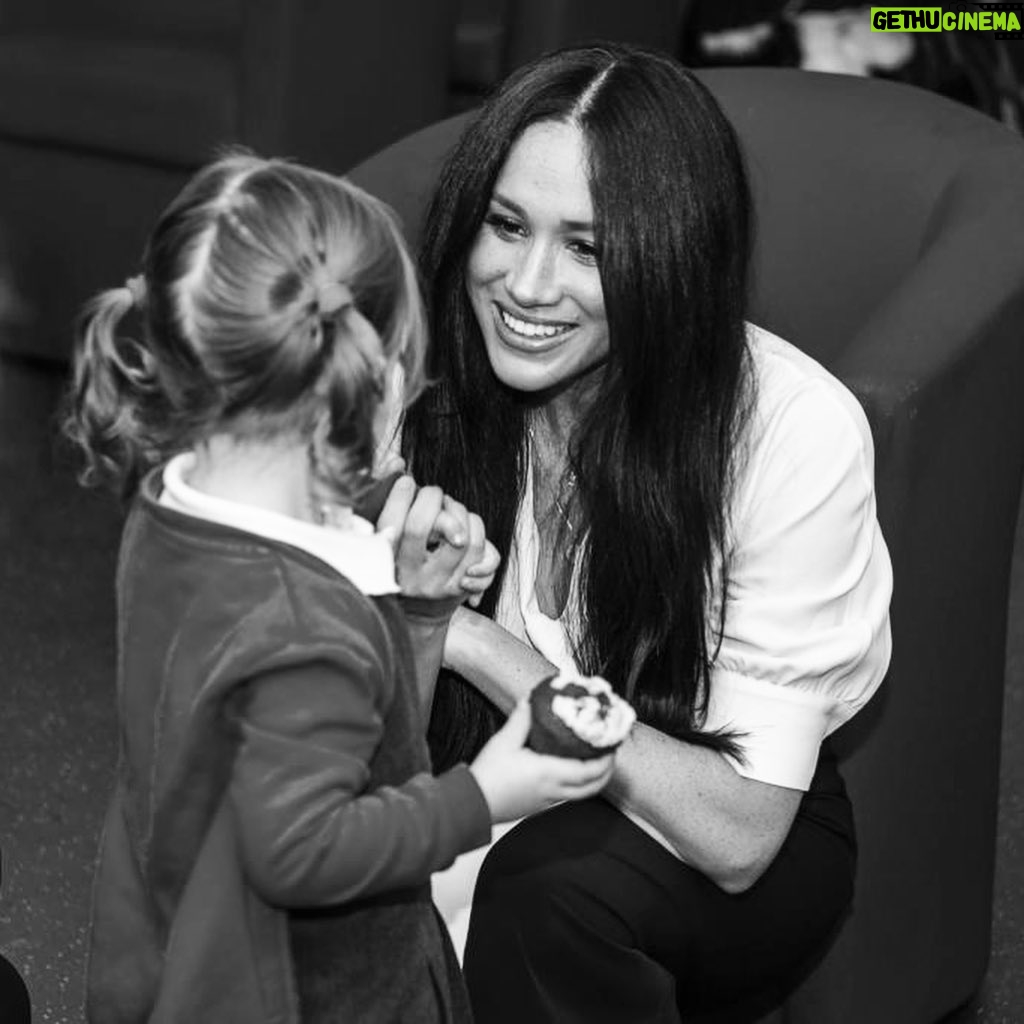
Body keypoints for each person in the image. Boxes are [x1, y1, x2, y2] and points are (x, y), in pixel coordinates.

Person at [401, 43, 894, 1022]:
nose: (526, 286)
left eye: (586, 246)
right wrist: (414, 631)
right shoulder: (428, 393)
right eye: (506, 225)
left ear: (668, 253)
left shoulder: (789, 430)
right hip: (490, 779)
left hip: (712, 808)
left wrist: (472, 640)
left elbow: (739, 834)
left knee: (548, 890)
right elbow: (381, 752)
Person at [64, 152, 615, 1024]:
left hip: (172, 915)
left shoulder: (171, 501)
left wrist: (412, 592)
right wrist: (490, 792)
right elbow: (305, 850)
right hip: (305, 986)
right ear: (378, 379)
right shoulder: (302, 625)